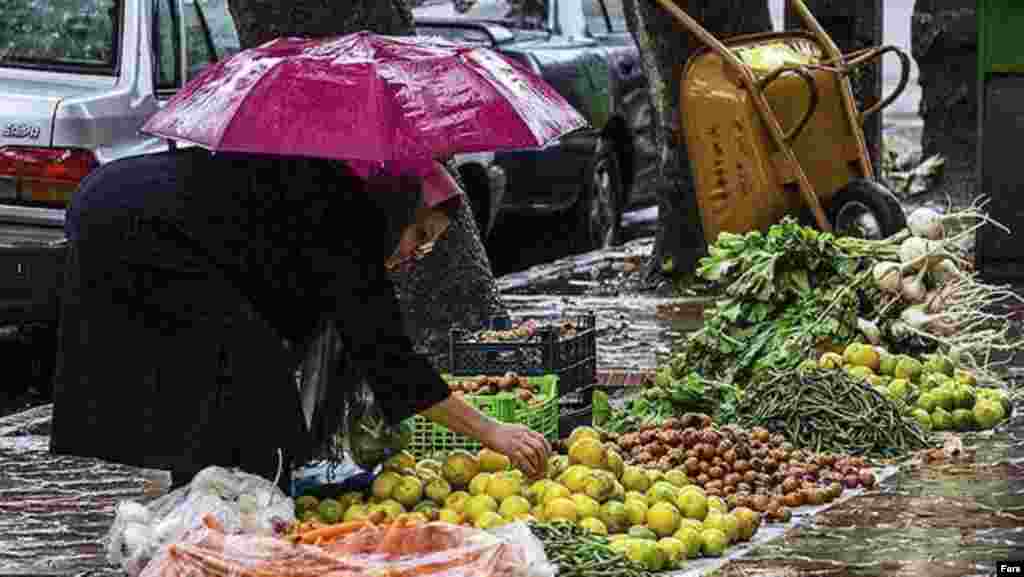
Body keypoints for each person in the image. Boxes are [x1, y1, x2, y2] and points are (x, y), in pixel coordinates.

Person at [49, 147, 550, 493]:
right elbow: (390, 360)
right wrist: (493, 433)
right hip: (136, 230)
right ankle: (219, 522)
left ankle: (209, 511)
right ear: (397, 207)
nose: (416, 251)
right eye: (417, 232)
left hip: (132, 214)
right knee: (241, 400)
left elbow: (336, 332)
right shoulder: (350, 222)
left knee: (233, 396)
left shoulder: (342, 207)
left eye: (430, 242)